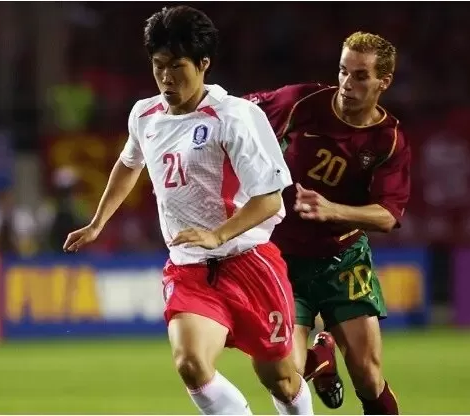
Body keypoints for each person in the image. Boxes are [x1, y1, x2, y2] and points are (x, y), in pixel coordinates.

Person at [64, 6, 314, 415]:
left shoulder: (235, 116)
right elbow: (129, 164)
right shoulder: (144, 115)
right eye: (158, 65)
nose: (166, 77)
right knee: (191, 364)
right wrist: (97, 222)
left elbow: (270, 200)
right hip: (190, 269)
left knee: (283, 380)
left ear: (203, 64)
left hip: (248, 262)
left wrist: (218, 234)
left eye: (177, 66)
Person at [244, 31, 410, 415]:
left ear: (383, 82)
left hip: (344, 258)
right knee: (285, 374)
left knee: (368, 377)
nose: (347, 84)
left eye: (360, 76)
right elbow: (239, 113)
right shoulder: (301, 102)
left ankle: (326, 356)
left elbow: (387, 215)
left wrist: (333, 210)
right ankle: (320, 359)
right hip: (282, 261)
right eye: (343, 71)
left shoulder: (388, 141)